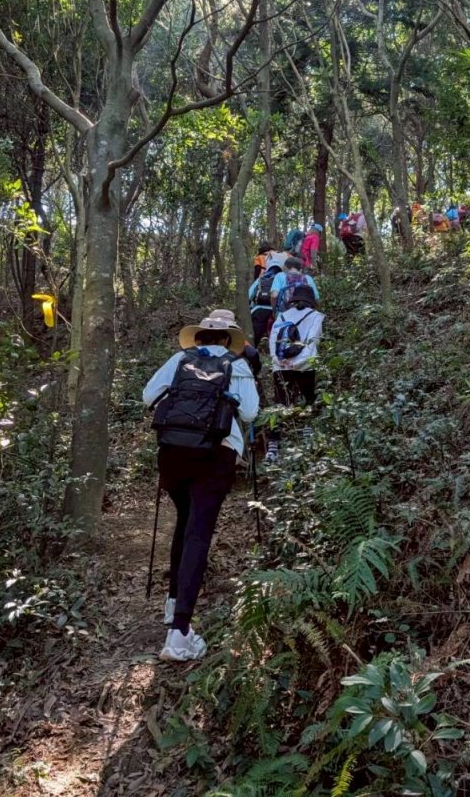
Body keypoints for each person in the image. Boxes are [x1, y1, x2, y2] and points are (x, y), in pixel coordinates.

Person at [143, 312, 259, 661]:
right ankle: (179, 633)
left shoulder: (179, 360)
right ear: (228, 339)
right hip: (216, 454)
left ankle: (173, 603)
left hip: (173, 453)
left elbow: (148, 396)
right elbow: (250, 413)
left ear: (200, 337)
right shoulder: (237, 366)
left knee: (184, 522)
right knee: (198, 532)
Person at [267, 284, 324, 463]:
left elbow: (273, 339)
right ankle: (307, 437)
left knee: (279, 403)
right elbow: (312, 341)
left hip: (281, 365)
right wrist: (298, 363)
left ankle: (273, 446)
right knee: (308, 398)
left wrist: (277, 360)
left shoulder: (282, 315)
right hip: (305, 366)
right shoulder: (316, 316)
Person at [248, 261, 283, 345]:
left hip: (258, 310)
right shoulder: (281, 279)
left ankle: (253, 347)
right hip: (276, 312)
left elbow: (250, 294)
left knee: (255, 336)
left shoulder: (261, 278)